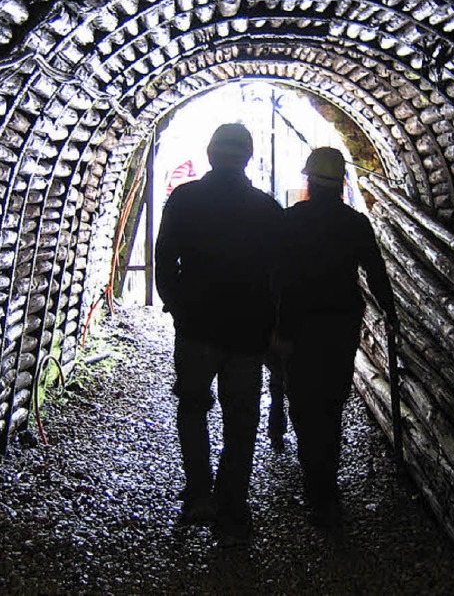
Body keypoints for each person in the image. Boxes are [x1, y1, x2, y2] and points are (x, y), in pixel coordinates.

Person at [154, 123, 282, 547]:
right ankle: (232, 508)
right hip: (247, 333)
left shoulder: (185, 199)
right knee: (241, 419)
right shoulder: (265, 208)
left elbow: (163, 260)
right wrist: (272, 325)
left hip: (197, 329)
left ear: (210, 155)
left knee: (193, 408)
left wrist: (178, 308)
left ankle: (198, 494)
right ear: (246, 157)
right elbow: (279, 277)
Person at [276, 147, 398, 536]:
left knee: (305, 403)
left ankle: (318, 485)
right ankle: (326, 487)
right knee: (332, 403)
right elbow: (376, 272)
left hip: (299, 326)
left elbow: (272, 275)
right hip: (340, 325)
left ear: (309, 181)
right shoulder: (355, 224)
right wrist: (390, 313)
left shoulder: (290, 221)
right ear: (342, 182)